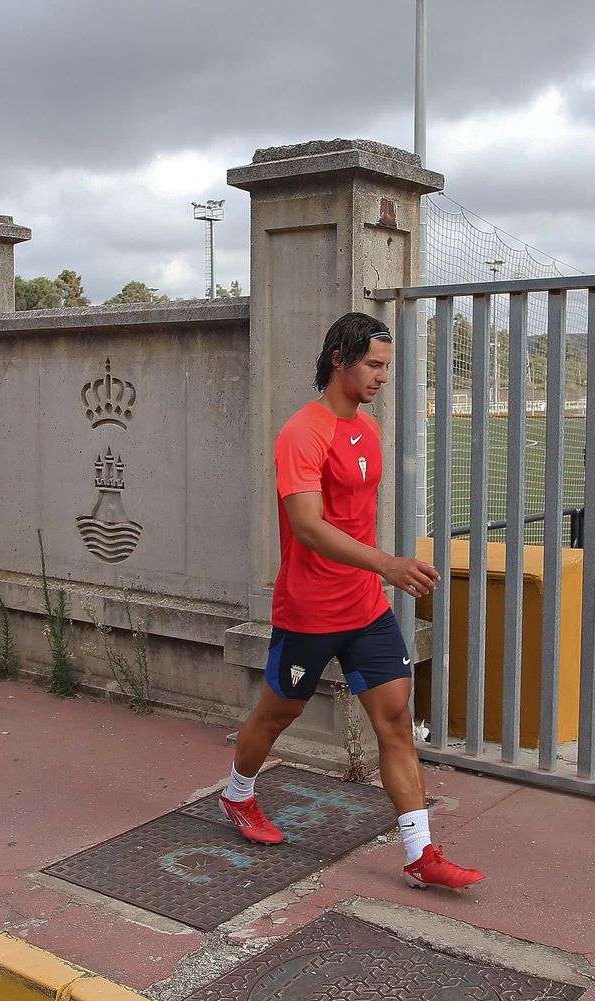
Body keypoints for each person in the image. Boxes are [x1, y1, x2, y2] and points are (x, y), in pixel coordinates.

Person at [216, 311, 485, 892]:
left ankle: (421, 854)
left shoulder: (366, 429)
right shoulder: (301, 434)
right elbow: (309, 527)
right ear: (340, 359)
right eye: (374, 365)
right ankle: (238, 795)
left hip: (366, 608)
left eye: (387, 366)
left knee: (395, 723)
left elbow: (355, 517)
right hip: (310, 611)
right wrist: (388, 563)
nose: (383, 377)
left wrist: (378, 575)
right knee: (277, 714)